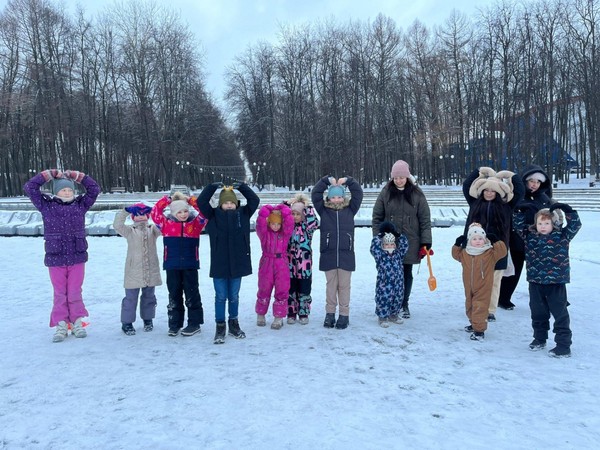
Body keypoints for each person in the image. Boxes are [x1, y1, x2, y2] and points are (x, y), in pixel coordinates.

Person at [24, 169, 101, 342]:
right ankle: (60, 324)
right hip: (55, 257)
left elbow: (94, 189)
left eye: (70, 190)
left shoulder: (80, 205)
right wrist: (48, 175)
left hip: (77, 256)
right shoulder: (47, 206)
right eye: (63, 189)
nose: (67, 192)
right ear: (55, 191)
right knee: (60, 293)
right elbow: (30, 187)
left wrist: (78, 177)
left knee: (74, 291)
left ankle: (77, 322)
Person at [513, 203, 581, 357]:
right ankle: (539, 338)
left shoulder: (562, 236)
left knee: (560, 314)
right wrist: (519, 211)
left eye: (547, 223)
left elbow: (575, 225)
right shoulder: (530, 236)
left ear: (554, 224)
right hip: (536, 282)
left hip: (556, 283)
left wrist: (568, 211)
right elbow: (517, 226)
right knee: (538, 312)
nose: (543, 226)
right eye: (540, 223)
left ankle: (563, 345)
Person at [197, 182, 259, 344]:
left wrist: (242, 187)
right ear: (220, 204)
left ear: (236, 203)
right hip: (220, 263)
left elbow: (254, 200)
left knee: (233, 296)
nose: (229, 205)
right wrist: (211, 187)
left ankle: (234, 323)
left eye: (232, 202)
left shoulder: (244, 214)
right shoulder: (212, 215)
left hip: (238, 262)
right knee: (220, 296)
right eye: (226, 202)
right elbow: (201, 202)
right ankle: (220, 326)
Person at [372, 160, 432, 319]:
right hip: (389, 242)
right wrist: (378, 238)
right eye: (396, 177)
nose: (399, 180)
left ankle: (403, 303)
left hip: (410, 241)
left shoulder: (417, 194)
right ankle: (386, 303)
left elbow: (425, 218)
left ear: (407, 177)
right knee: (387, 274)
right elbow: (377, 217)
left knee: (406, 273)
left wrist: (426, 241)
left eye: (402, 177)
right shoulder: (386, 192)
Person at [463, 166, 524, 322]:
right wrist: (478, 171)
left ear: (498, 193)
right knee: (476, 281)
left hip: (497, 249)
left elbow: (520, 192)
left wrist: (512, 176)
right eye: (486, 190)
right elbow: (466, 186)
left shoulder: (506, 206)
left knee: (495, 282)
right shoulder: (474, 203)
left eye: (493, 191)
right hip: (476, 249)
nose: (489, 193)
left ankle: (490, 310)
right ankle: (476, 307)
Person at [498, 165, 558, 310]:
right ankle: (503, 298)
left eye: (537, 182)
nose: (534, 184)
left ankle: (551, 298)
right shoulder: (517, 196)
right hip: (517, 240)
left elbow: (552, 218)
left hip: (539, 243)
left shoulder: (545, 199)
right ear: (525, 181)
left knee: (543, 272)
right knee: (513, 272)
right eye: (532, 181)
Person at [151, 191, 207, 337]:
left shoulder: (195, 225)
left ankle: (194, 323)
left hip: (190, 265)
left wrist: (191, 200)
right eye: (179, 212)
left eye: (185, 211)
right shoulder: (166, 224)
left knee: (192, 294)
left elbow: (205, 212)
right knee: (174, 295)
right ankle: (174, 324)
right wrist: (167, 200)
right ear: (173, 212)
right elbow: (155, 212)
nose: (183, 214)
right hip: (172, 265)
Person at [312, 176, 363, 329]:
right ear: (329, 198)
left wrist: (348, 181)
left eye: (339, 196)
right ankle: (329, 314)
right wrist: (326, 180)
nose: (336, 199)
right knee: (331, 286)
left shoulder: (350, 209)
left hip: (346, 255)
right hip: (329, 255)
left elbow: (358, 193)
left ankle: (344, 315)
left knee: (344, 287)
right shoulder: (323, 210)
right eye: (333, 197)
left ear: (343, 197)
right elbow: (315, 193)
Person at [112, 203, 162, 335]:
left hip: (150, 269)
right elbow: (117, 225)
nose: (141, 217)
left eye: (144, 214)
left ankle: (148, 319)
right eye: (137, 215)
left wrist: (157, 210)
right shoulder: (129, 231)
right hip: (133, 270)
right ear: (133, 217)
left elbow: (163, 225)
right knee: (130, 298)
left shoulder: (153, 230)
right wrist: (125, 211)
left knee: (149, 296)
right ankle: (127, 322)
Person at [452, 223, 507, 341]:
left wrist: (496, 241)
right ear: (469, 240)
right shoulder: (465, 253)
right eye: (474, 239)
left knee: (480, 307)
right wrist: (457, 244)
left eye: (481, 239)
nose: (478, 241)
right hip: (469, 286)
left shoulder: (490, 253)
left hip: (483, 286)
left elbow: (502, 251)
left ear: (485, 239)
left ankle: (479, 331)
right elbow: (455, 255)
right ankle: (474, 324)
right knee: (470, 305)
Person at [255, 203, 294, 329]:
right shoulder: (264, 234)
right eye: (273, 223)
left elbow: (290, 223)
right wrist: (265, 210)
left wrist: (284, 209)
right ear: (269, 223)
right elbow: (260, 224)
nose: (276, 226)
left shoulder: (285, 234)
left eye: (278, 224)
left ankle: (278, 316)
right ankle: (261, 314)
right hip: (267, 261)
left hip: (281, 262)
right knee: (264, 288)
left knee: (282, 289)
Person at [286, 193, 319, 325]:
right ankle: (291, 312)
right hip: (290, 265)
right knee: (291, 289)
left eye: (298, 214)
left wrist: (308, 208)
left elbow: (314, 222)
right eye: (292, 214)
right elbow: (281, 216)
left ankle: (303, 312)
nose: (295, 217)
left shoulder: (307, 229)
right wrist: (286, 206)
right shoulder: (287, 227)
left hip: (304, 266)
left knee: (304, 289)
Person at [370, 221, 409, 328]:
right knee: (383, 298)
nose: (389, 246)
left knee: (397, 298)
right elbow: (374, 247)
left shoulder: (398, 254)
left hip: (398, 283)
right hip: (384, 284)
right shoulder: (380, 255)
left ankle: (394, 314)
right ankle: (382, 316)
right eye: (386, 244)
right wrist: (379, 236)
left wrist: (398, 234)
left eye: (391, 244)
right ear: (382, 245)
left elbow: (405, 245)